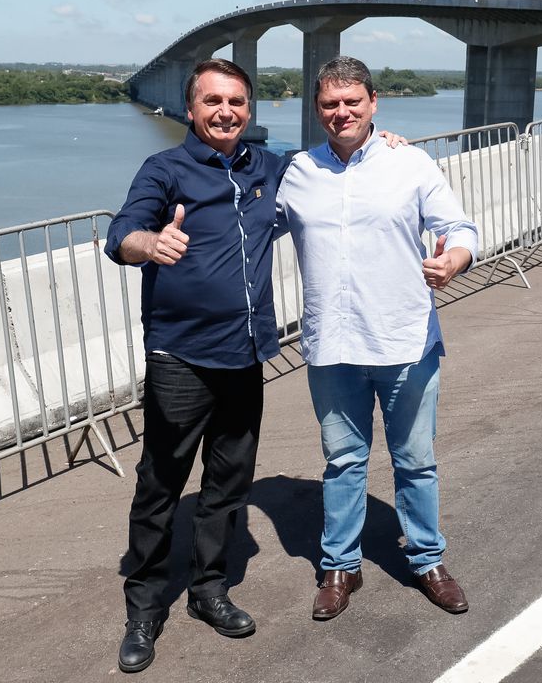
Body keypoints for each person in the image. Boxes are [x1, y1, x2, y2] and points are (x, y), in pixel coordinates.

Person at [275, 55, 479, 621]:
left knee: (415, 461)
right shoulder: (296, 172)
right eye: (330, 103)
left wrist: (454, 261)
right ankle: (340, 566)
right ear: (317, 109)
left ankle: (428, 560)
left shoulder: (408, 162)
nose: (341, 112)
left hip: (404, 340)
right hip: (332, 345)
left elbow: (459, 228)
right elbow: (245, 223)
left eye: (352, 102)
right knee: (343, 461)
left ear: (373, 104)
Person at [104, 59, 280, 673]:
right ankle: (145, 608)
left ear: (248, 109)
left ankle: (209, 590)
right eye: (212, 101)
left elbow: (333, 168)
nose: (225, 112)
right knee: (160, 485)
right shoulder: (165, 170)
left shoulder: (267, 167)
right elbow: (122, 233)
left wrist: (380, 143)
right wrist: (151, 244)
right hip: (181, 357)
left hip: (244, 354)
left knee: (229, 483)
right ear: (190, 108)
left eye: (236, 101)